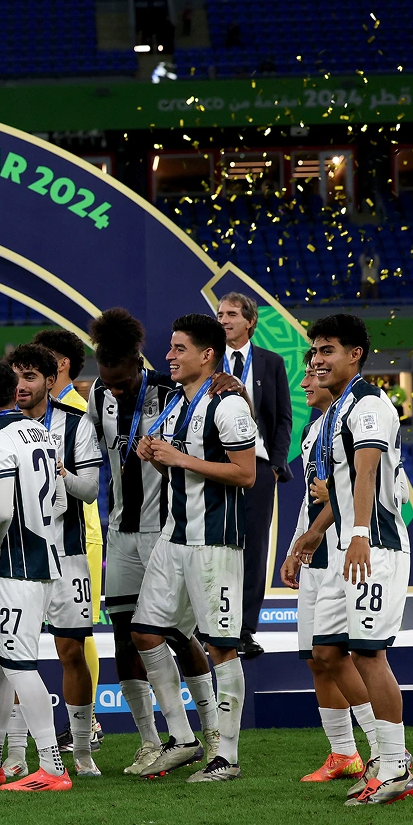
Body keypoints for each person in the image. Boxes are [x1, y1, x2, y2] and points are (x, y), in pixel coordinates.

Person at [85, 308, 225, 776]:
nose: (116, 390)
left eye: (123, 382)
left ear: (137, 364)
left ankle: (213, 733)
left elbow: (214, 396)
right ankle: (149, 741)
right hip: (120, 532)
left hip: (167, 531)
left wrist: (231, 384)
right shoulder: (98, 395)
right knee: (125, 636)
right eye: (109, 383)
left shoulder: (170, 391)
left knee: (179, 635)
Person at [290, 314, 413, 806]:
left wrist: (360, 535)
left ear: (355, 354)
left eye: (328, 350)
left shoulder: (367, 404)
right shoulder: (333, 412)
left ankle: (395, 766)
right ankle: (377, 757)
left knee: (368, 654)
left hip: (373, 546)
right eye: (315, 352)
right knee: (325, 653)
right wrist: (311, 536)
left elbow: (366, 475)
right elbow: (340, 491)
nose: (317, 361)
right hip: (343, 546)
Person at [132, 314, 256, 783]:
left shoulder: (228, 403)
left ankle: (227, 757)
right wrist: (158, 459)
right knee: (145, 632)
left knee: (221, 647)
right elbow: (180, 472)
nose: (169, 356)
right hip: (174, 535)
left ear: (207, 355)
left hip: (214, 542)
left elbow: (246, 474)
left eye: (179, 348)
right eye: (170, 346)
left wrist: (178, 457)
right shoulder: (177, 403)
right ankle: (183, 740)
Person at [0, 358, 70, 792]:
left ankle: (52, 767)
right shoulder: (40, 431)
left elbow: (3, 510)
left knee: (19, 665)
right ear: (12, 392)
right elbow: (60, 500)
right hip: (42, 559)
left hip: (17, 568)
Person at [5, 344, 103, 778]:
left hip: (68, 555)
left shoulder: (76, 424)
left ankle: (81, 750)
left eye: (29, 377)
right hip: (19, 558)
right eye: (15, 377)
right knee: (14, 655)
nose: (20, 385)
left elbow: (91, 490)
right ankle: (15, 754)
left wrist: (58, 472)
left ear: (49, 380)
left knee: (71, 651)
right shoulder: (1, 426)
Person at [280, 350, 376, 783]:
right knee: (316, 659)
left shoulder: (356, 420)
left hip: (345, 552)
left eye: (312, 375)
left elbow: (365, 486)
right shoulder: (312, 430)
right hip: (315, 556)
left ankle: (384, 749)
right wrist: (294, 547)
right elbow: (311, 497)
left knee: (338, 654)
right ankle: (343, 754)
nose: (305, 383)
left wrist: (332, 502)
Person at [32, 327, 104, 752]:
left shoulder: (76, 410)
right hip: (44, 536)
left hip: (80, 535)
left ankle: (88, 722)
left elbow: (87, 482)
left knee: (79, 635)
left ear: (59, 364)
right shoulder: (30, 412)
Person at [216, 292, 292, 659]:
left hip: (259, 468)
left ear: (250, 321)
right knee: (214, 547)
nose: (223, 320)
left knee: (254, 550)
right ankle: (211, 626)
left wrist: (275, 467)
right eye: (220, 314)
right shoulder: (208, 359)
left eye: (231, 314)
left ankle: (244, 630)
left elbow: (283, 418)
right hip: (215, 468)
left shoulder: (270, 362)